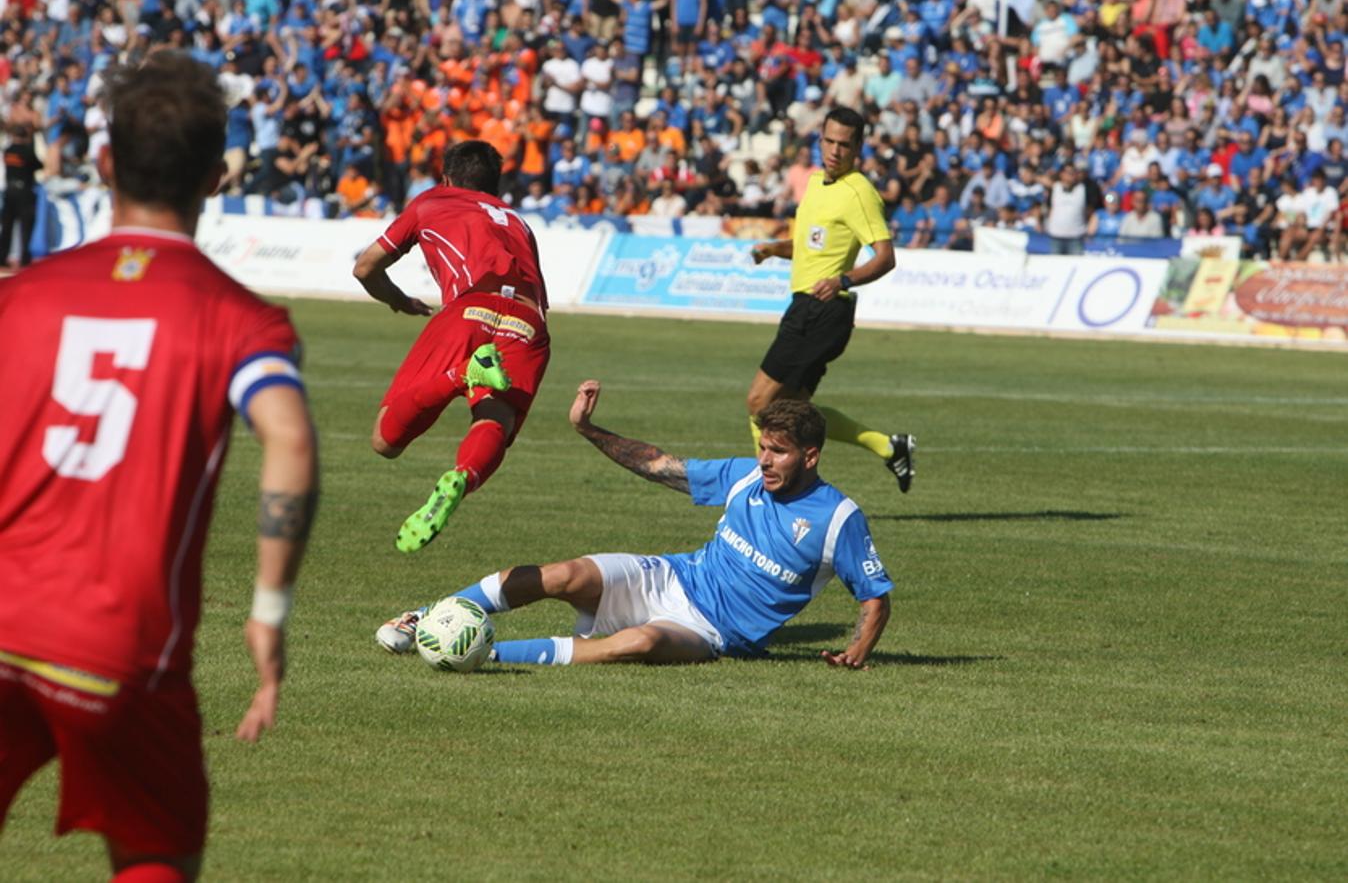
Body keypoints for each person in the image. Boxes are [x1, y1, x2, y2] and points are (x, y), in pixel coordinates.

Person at [0, 53, 319, 882]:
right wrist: (268, 612)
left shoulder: (23, 294)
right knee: (154, 857)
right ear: (217, 177)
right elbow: (287, 436)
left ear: (104, 163)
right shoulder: (238, 318)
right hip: (120, 650)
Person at [375, 381, 893, 668]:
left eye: (778, 453)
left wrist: (856, 653)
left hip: (710, 631)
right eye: (762, 447)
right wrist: (587, 429)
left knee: (638, 643)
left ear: (810, 456)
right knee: (566, 574)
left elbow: (874, 596)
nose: (764, 460)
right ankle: (425, 617)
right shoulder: (743, 477)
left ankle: (480, 655)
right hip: (672, 576)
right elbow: (657, 464)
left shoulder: (837, 518)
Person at [351, 139, 551, 553]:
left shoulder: (431, 201)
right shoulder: (518, 220)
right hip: (529, 322)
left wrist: (397, 300)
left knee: (384, 440)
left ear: (445, 177)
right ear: (494, 186)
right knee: (493, 421)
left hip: (470, 309)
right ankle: (463, 476)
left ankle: (462, 373)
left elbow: (365, 266)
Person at [747, 107, 915, 493]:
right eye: (830, 141)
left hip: (822, 311)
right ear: (819, 140)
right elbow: (810, 248)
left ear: (857, 148)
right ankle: (889, 447)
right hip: (807, 308)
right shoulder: (816, 184)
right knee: (794, 414)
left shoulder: (859, 193)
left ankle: (763, 493)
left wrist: (843, 278)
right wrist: (775, 249)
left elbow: (885, 257)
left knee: (759, 403)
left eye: (845, 144)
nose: (836, 150)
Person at [0, 124, 43, 267]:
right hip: (24, 192)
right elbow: (38, 165)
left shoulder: (8, 151)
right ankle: (25, 258)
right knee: (26, 227)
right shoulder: (27, 152)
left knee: (7, 227)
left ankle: (2, 256)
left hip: (10, 192)